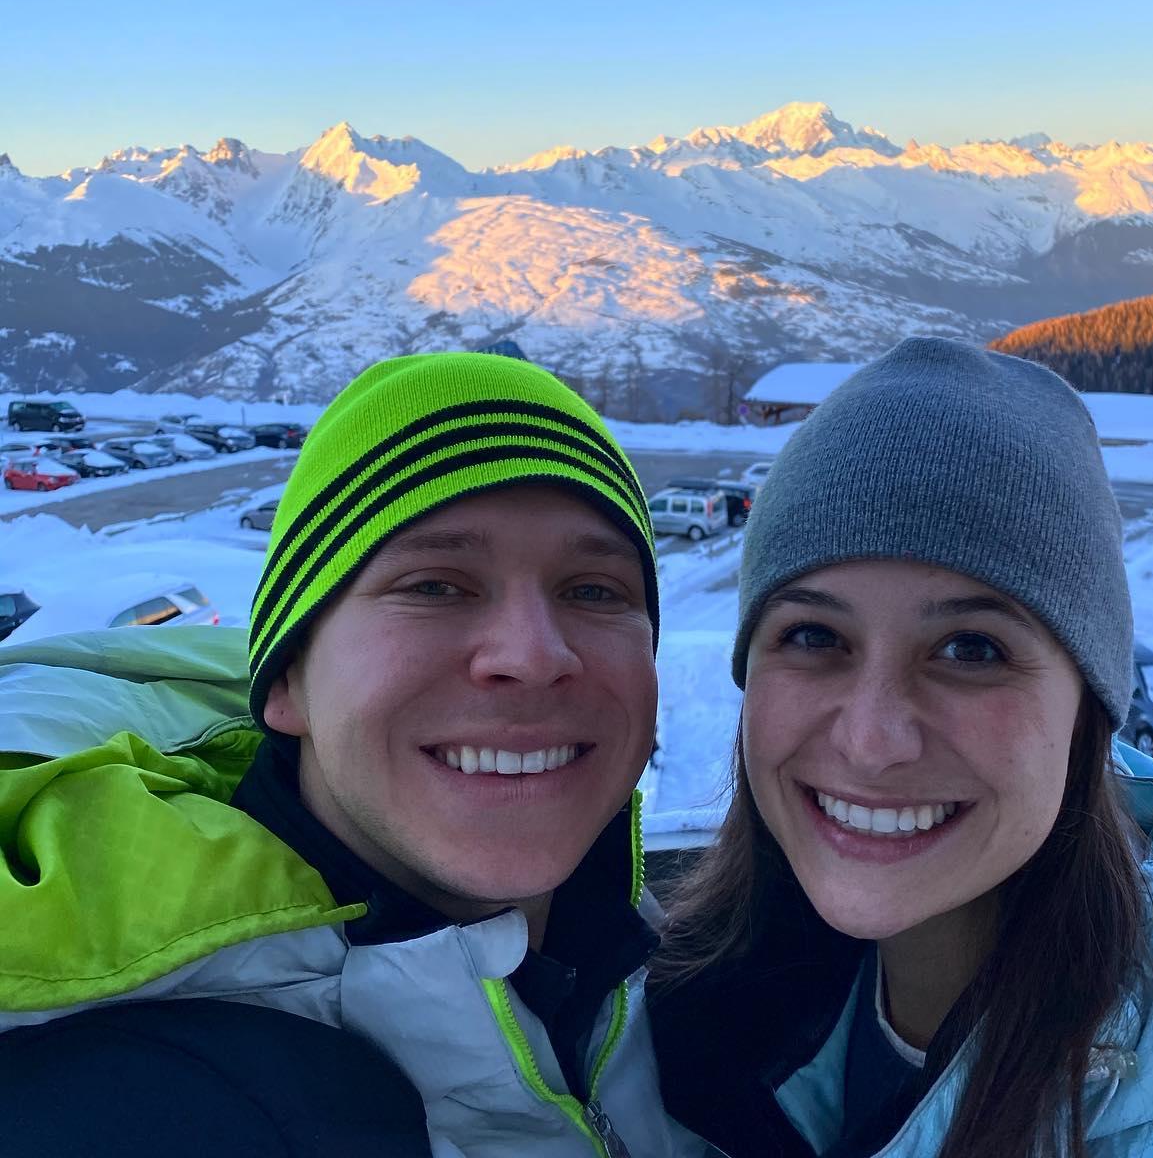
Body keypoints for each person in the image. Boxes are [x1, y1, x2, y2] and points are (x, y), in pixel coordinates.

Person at [648, 337, 1153, 1158]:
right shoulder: (718, 1014)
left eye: (971, 649)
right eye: (814, 635)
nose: (871, 739)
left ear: (1087, 714)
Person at [0, 352, 708, 1157]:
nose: (534, 654)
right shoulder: (130, 1088)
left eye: (593, 591)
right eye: (435, 585)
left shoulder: (655, 971)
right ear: (287, 685)